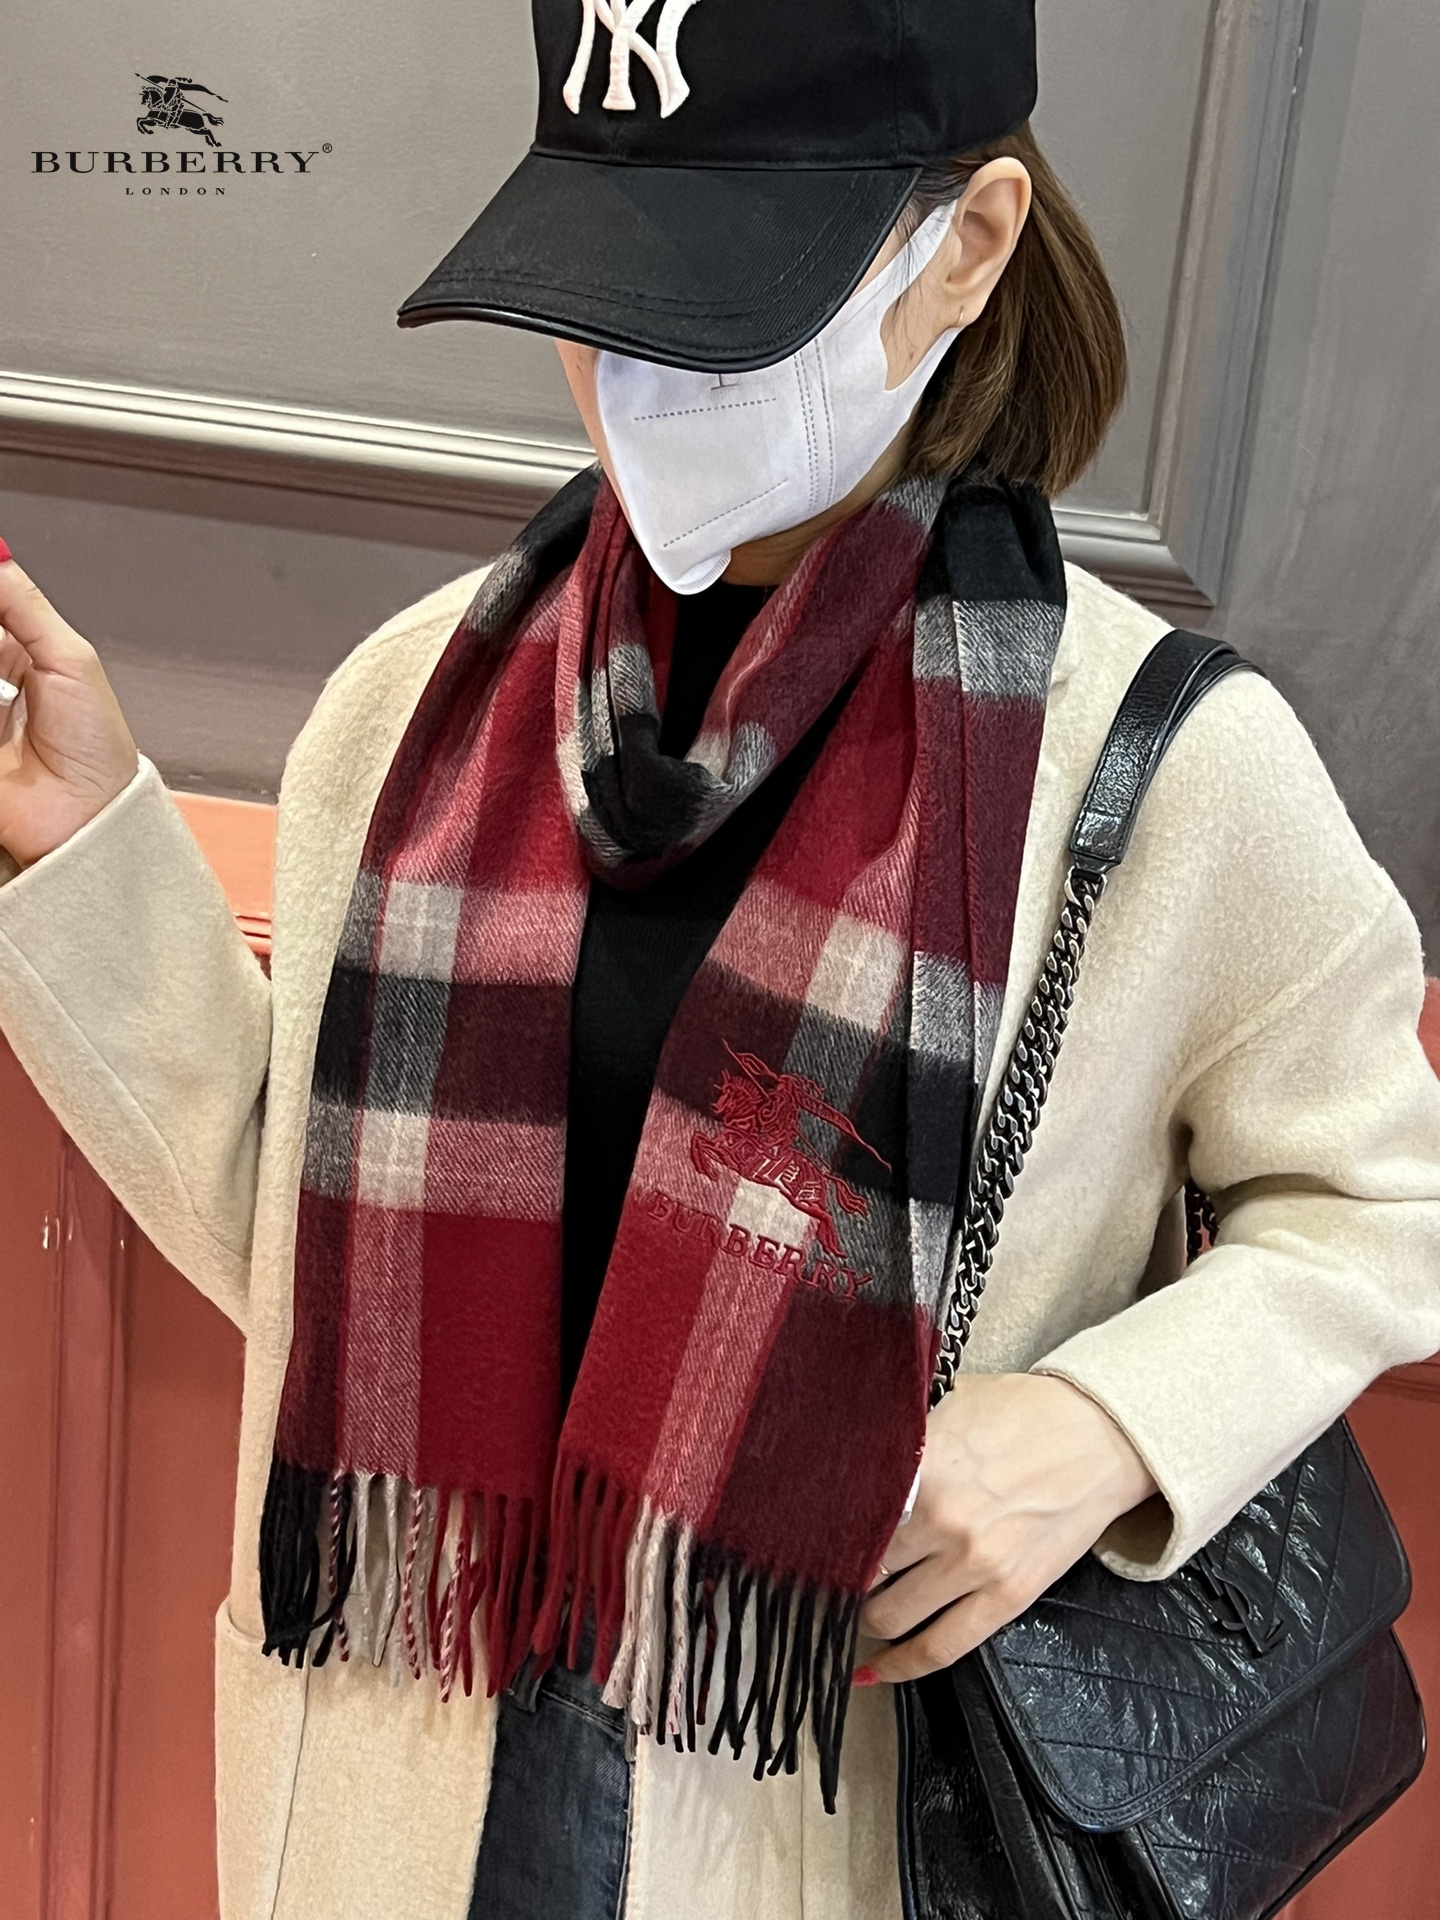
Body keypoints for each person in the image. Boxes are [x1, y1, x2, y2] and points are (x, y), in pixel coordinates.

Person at [1, 1, 1438, 1916]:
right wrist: (86, 851)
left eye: (720, 309)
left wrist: (1105, 1430)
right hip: (401, 1772)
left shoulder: (1154, 767)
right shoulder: (416, 713)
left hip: (813, 1797)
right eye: (601, 302)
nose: (636, 383)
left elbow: (1384, 1203)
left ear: (969, 243)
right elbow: (295, 1239)